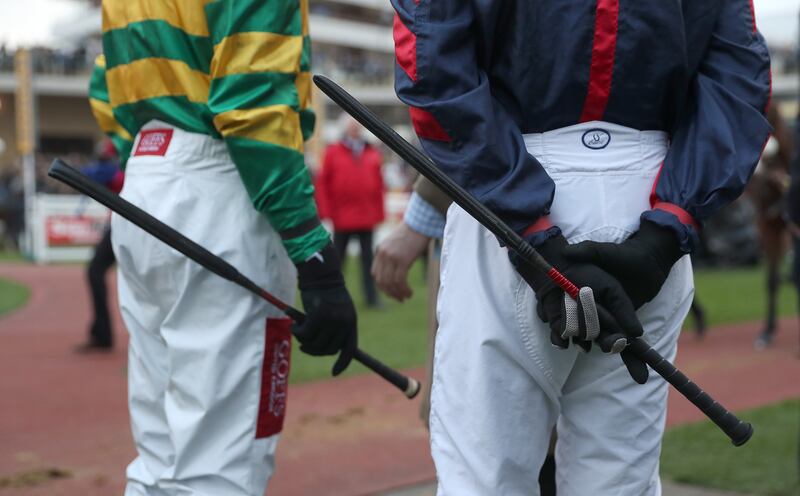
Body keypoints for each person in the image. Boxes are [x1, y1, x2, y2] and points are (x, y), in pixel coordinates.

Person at [390, 1, 771, 494]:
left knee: (483, 480)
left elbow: (430, 54)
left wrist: (530, 229)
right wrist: (667, 228)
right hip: (648, 191)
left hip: (513, 185)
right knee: (619, 482)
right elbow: (738, 75)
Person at [89, 2, 357, 495]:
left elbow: (104, 87)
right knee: (222, 468)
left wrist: (158, 172)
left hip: (146, 178)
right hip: (221, 182)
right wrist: (314, 256)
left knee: (158, 461)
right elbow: (251, 101)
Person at [373, 177, 557, 496]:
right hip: (498, 216)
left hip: (500, 225)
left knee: (490, 441)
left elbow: (469, 143)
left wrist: (421, 214)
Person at [315, 115, 385, 307]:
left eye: (358, 126)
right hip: (342, 217)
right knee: (338, 261)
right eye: (352, 126)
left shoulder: (371, 151)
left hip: (366, 215)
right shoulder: (333, 152)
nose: (356, 129)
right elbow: (323, 183)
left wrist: (379, 213)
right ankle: (333, 297)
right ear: (345, 129)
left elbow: (379, 184)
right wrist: (326, 211)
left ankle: (371, 298)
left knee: (368, 261)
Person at [75, 139, 124, 352]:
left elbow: (101, 175)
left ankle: (103, 334)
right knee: (95, 272)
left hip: (127, 225)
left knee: (95, 272)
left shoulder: (118, 171)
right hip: (122, 224)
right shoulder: (116, 169)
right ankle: (101, 333)